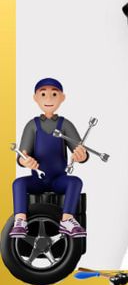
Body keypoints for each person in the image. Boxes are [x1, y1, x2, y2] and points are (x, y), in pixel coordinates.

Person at [10, 78, 88, 238]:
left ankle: (67, 220)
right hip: (37, 180)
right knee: (18, 183)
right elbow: (22, 154)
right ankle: (20, 221)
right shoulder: (32, 125)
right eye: (43, 94)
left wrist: (82, 155)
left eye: (54, 94)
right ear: (35, 98)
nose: (49, 99)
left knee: (75, 182)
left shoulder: (65, 125)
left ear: (62, 98)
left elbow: (79, 150)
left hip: (59, 179)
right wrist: (25, 160)